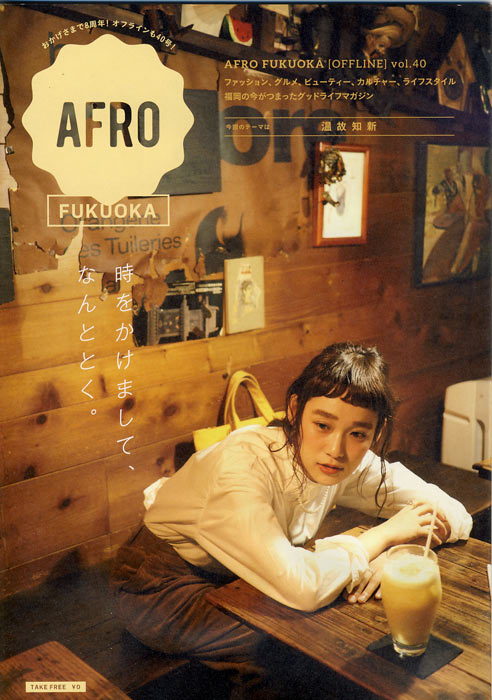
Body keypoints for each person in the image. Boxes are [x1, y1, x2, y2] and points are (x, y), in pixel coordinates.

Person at [110, 342, 472, 698]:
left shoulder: (351, 462)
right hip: (161, 587)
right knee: (292, 645)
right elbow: (303, 588)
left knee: (346, 618)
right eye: (322, 424)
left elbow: (453, 512)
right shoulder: (243, 466)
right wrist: (382, 538)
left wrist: (402, 551)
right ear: (296, 409)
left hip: (242, 575)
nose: (336, 449)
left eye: (358, 433)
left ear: (376, 432)